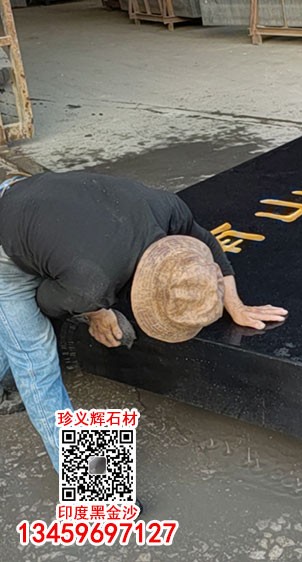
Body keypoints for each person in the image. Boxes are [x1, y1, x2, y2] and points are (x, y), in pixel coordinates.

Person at [0, 171, 287, 475]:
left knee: (13, 329)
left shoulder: (168, 210)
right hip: (7, 240)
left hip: (32, 196)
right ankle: (96, 486)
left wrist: (235, 304)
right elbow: (44, 302)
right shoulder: (91, 285)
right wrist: (95, 312)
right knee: (36, 359)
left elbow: (207, 243)